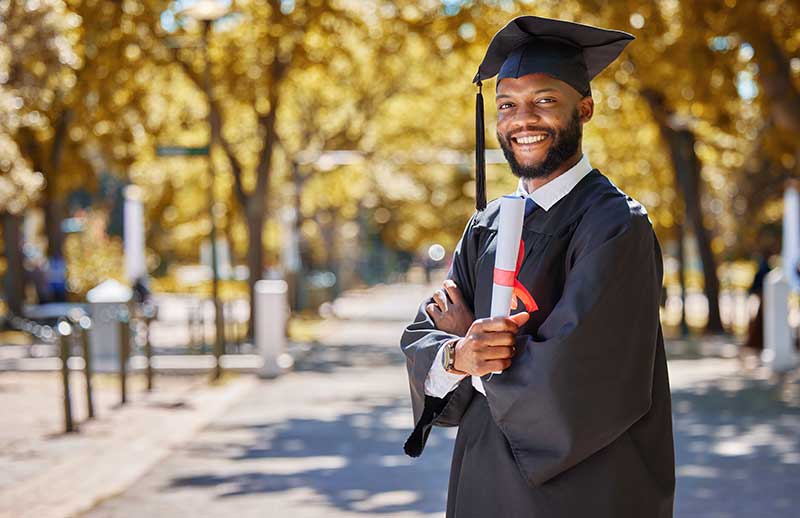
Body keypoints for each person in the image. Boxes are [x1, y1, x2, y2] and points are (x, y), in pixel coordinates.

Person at [400, 16, 675, 517]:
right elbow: (427, 332)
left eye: (544, 100)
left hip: (586, 492)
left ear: (584, 108)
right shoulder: (486, 225)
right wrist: (461, 354)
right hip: (485, 484)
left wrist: (475, 359)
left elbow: (583, 375)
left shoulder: (615, 225)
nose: (522, 119)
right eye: (507, 105)